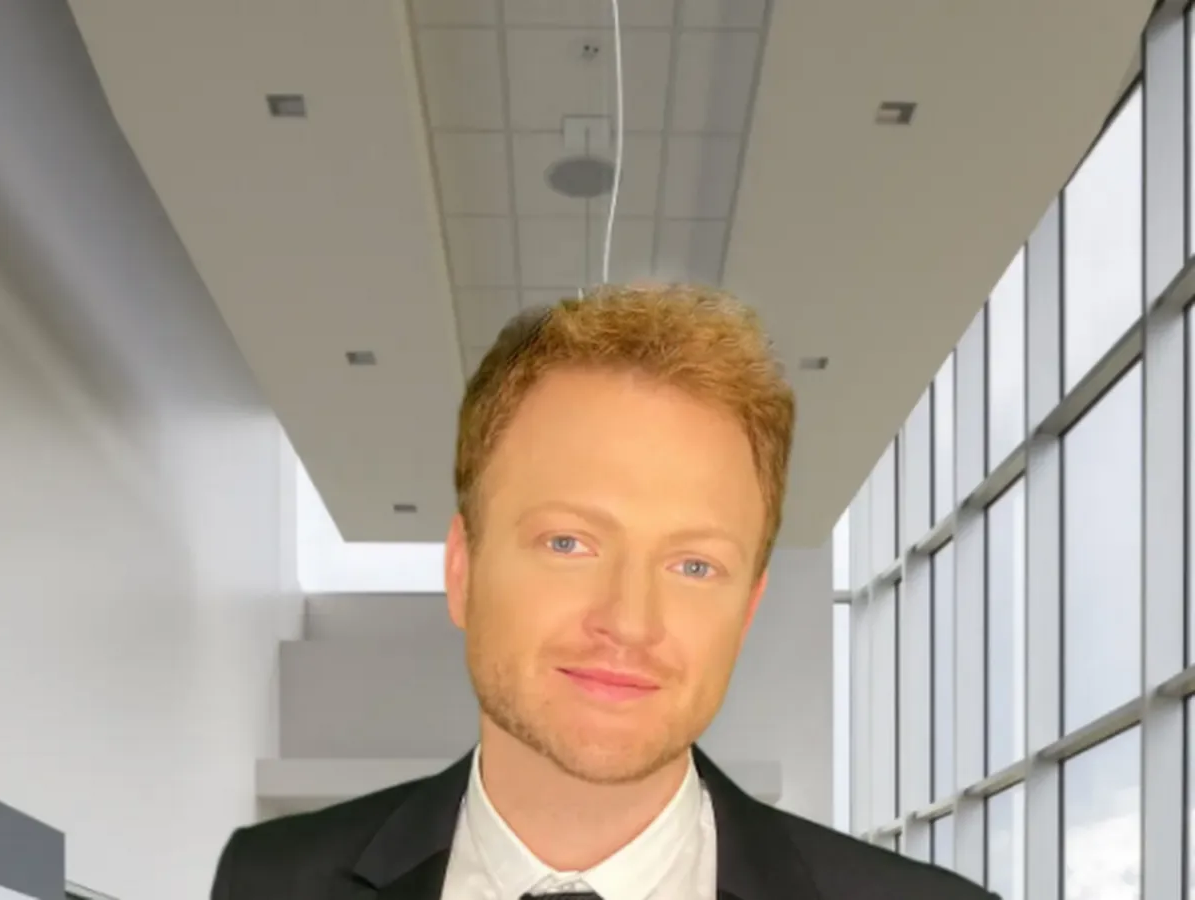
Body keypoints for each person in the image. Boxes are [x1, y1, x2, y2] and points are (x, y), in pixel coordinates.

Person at [211, 284, 995, 900]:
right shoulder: (270, 882)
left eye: (694, 566)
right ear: (463, 570)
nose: (629, 622)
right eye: (569, 543)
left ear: (747, 610)